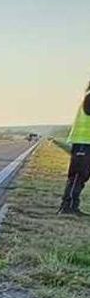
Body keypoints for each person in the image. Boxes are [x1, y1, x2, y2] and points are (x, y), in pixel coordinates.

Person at [60, 79, 90, 215]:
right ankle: (67, 207)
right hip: (83, 142)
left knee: (81, 176)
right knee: (78, 175)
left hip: (85, 143)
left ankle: (72, 206)